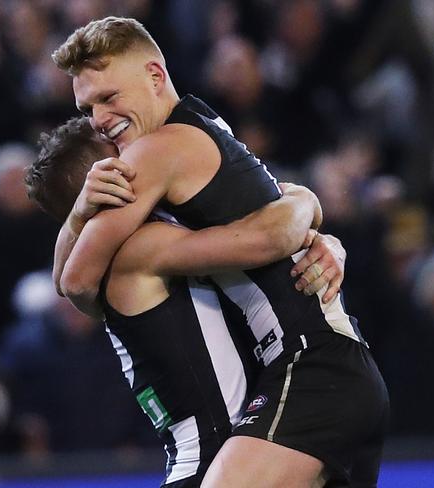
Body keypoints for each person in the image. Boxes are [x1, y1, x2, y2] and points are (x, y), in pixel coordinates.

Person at [52, 17, 389, 487]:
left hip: (311, 369)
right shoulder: (208, 123)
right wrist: (309, 210)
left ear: (155, 77)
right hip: (335, 370)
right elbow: (281, 201)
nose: (100, 121)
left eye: (109, 97)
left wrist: (78, 216)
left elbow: (75, 281)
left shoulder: (154, 150)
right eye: (87, 107)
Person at [25, 116, 334, 486]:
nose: (145, 152)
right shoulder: (144, 247)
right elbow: (268, 238)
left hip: (226, 460)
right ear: (110, 182)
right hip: (217, 462)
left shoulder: (113, 258)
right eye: (125, 151)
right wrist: (305, 199)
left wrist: (326, 244)